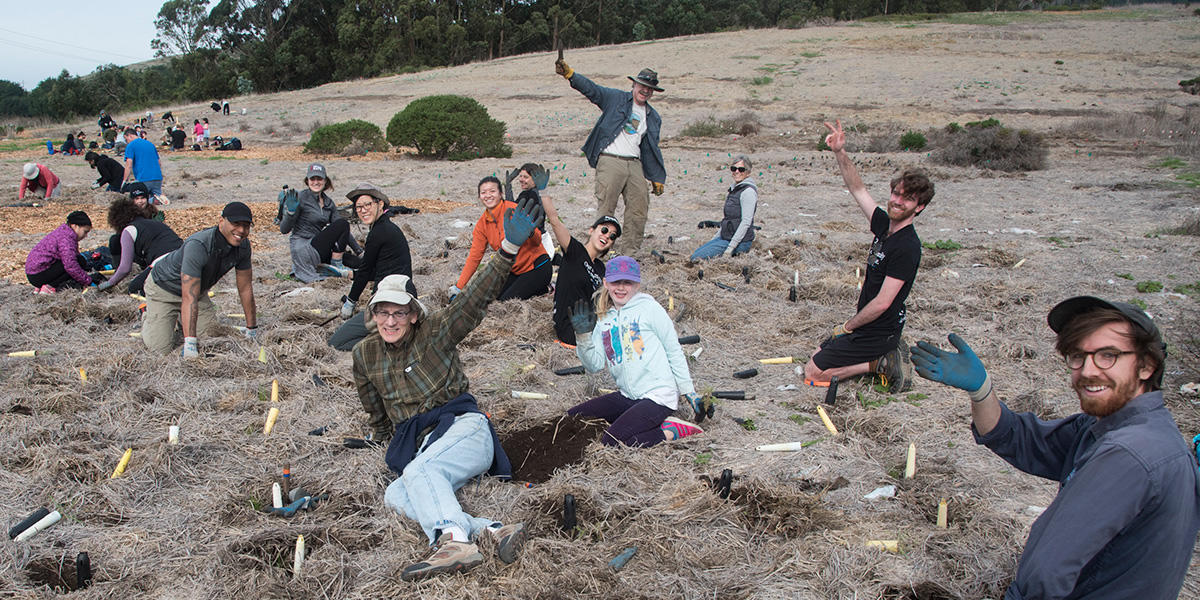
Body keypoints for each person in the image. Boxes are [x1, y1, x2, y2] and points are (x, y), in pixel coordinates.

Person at [910, 297, 1199, 599]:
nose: (1088, 370)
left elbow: (1045, 574)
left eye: (1108, 355)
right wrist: (981, 390)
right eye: (1078, 356)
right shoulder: (1112, 428)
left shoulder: (1129, 455)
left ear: (1147, 365)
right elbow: (1023, 440)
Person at [352, 197, 544, 581]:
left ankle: (452, 540)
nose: (391, 320)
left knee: (420, 469)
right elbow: (375, 410)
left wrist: (506, 250)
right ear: (373, 314)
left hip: (465, 430)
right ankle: (490, 530)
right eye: (383, 312)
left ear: (413, 313)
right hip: (423, 445)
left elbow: (474, 300)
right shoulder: (365, 355)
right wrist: (380, 437)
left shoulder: (435, 332)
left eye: (399, 312)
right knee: (396, 494)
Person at [800, 120, 933, 393]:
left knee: (813, 375)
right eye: (896, 194)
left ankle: (880, 362)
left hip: (878, 330)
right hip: (868, 324)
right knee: (817, 352)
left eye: (907, 199)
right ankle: (874, 356)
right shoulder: (884, 225)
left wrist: (847, 326)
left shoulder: (907, 247)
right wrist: (839, 152)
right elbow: (857, 189)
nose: (897, 201)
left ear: (919, 207)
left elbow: (883, 303)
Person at [566, 256, 706, 446]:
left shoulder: (650, 309)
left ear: (637, 284)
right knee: (570, 418)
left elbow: (673, 350)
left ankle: (670, 431)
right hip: (627, 396)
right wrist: (583, 337)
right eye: (616, 282)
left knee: (611, 442)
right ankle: (638, 421)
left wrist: (689, 392)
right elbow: (594, 365)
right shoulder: (604, 319)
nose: (621, 288)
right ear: (606, 283)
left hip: (658, 397)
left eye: (627, 282)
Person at [555, 57, 666, 253]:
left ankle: (629, 254)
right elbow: (593, 90)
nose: (645, 91)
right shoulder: (615, 99)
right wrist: (570, 75)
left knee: (639, 209)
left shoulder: (653, 116)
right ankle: (599, 252)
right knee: (606, 209)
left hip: (634, 164)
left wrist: (656, 177)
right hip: (610, 159)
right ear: (634, 84)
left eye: (650, 88)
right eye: (643, 86)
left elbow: (651, 149)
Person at [142, 201, 257, 356]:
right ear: (221, 221)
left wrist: (252, 329)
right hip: (164, 289)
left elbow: (245, 288)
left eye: (246, 226)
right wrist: (190, 343)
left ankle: (182, 320)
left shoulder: (243, 246)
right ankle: (149, 316)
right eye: (236, 224)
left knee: (210, 338)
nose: (241, 230)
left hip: (197, 292)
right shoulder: (199, 245)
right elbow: (188, 296)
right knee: (161, 349)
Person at [329, 183, 413, 351]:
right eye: (359, 207)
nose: (363, 210)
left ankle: (391, 344)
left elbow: (366, 270)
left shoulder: (379, 232)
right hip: (404, 297)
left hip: (390, 302)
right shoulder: (387, 228)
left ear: (380, 204)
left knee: (336, 342)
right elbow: (380, 269)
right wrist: (353, 274)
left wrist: (350, 302)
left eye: (368, 204)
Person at [449, 178, 550, 301]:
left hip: (537, 267)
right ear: (479, 196)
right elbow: (474, 258)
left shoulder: (514, 211)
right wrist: (459, 287)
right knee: (489, 298)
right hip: (514, 272)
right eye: (483, 192)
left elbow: (537, 241)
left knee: (505, 302)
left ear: (500, 194)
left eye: (492, 191)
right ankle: (539, 290)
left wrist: (531, 232)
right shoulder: (482, 224)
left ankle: (542, 288)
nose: (488, 195)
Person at [540, 189, 619, 347]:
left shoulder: (601, 268)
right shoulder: (575, 251)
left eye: (612, 236)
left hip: (593, 323)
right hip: (572, 327)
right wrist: (543, 191)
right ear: (592, 230)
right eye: (604, 230)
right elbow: (555, 221)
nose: (606, 236)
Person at [279, 163, 362, 282]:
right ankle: (337, 266)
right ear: (307, 181)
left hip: (319, 247)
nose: (316, 182)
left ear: (325, 181)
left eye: (319, 178)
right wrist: (290, 213)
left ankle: (336, 268)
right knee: (342, 223)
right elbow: (284, 229)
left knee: (358, 263)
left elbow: (344, 232)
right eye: (312, 179)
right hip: (303, 247)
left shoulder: (328, 202)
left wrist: (359, 252)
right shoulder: (300, 197)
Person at [98, 194, 182, 295]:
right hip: (184, 256)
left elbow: (125, 268)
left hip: (164, 262)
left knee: (135, 289)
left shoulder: (129, 230)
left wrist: (110, 283)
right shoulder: (156, 224)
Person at [690, 155, 758, 261]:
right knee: (695, 254)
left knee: (696, 258)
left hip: (740, 241)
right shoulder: (735, 189)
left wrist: (730, 248)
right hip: (726, 236)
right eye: (733, 169)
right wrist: (714, 240)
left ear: (748, 172)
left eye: (741, 169)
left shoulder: (748, 192)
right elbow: (728, 219)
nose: (736, 172)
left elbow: (746, 222)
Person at [25, 211, 98, 293]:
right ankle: (50, 286)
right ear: (75, 226)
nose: (86, 236)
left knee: (78, 260)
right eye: (85, 232)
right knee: (79, 261)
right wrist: (88, 281)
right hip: (38, 274)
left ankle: (41, 286)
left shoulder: (63, 232)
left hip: (35, 272)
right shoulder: (66, 238)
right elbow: (71, 265)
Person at [505, 163, 556, 258]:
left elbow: (511, 210)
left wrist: (508, 187)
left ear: (535, 179)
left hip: (534, 242)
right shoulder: (538, 193)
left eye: (526, 177)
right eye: (520, 176)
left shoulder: (529, 195)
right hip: (542, 238)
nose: (521, 180)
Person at [122, 127, 166, 202]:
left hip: (144, 178)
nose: (127, 142)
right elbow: (159, 162)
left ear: (130, 135)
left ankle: (153, 200)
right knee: (155, 195)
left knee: (137, 200)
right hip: (157, 177)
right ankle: (158, 198)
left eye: (126, 139)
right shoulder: (150, 144)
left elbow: (128, 165)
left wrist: (124, 181)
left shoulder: (131, 146)